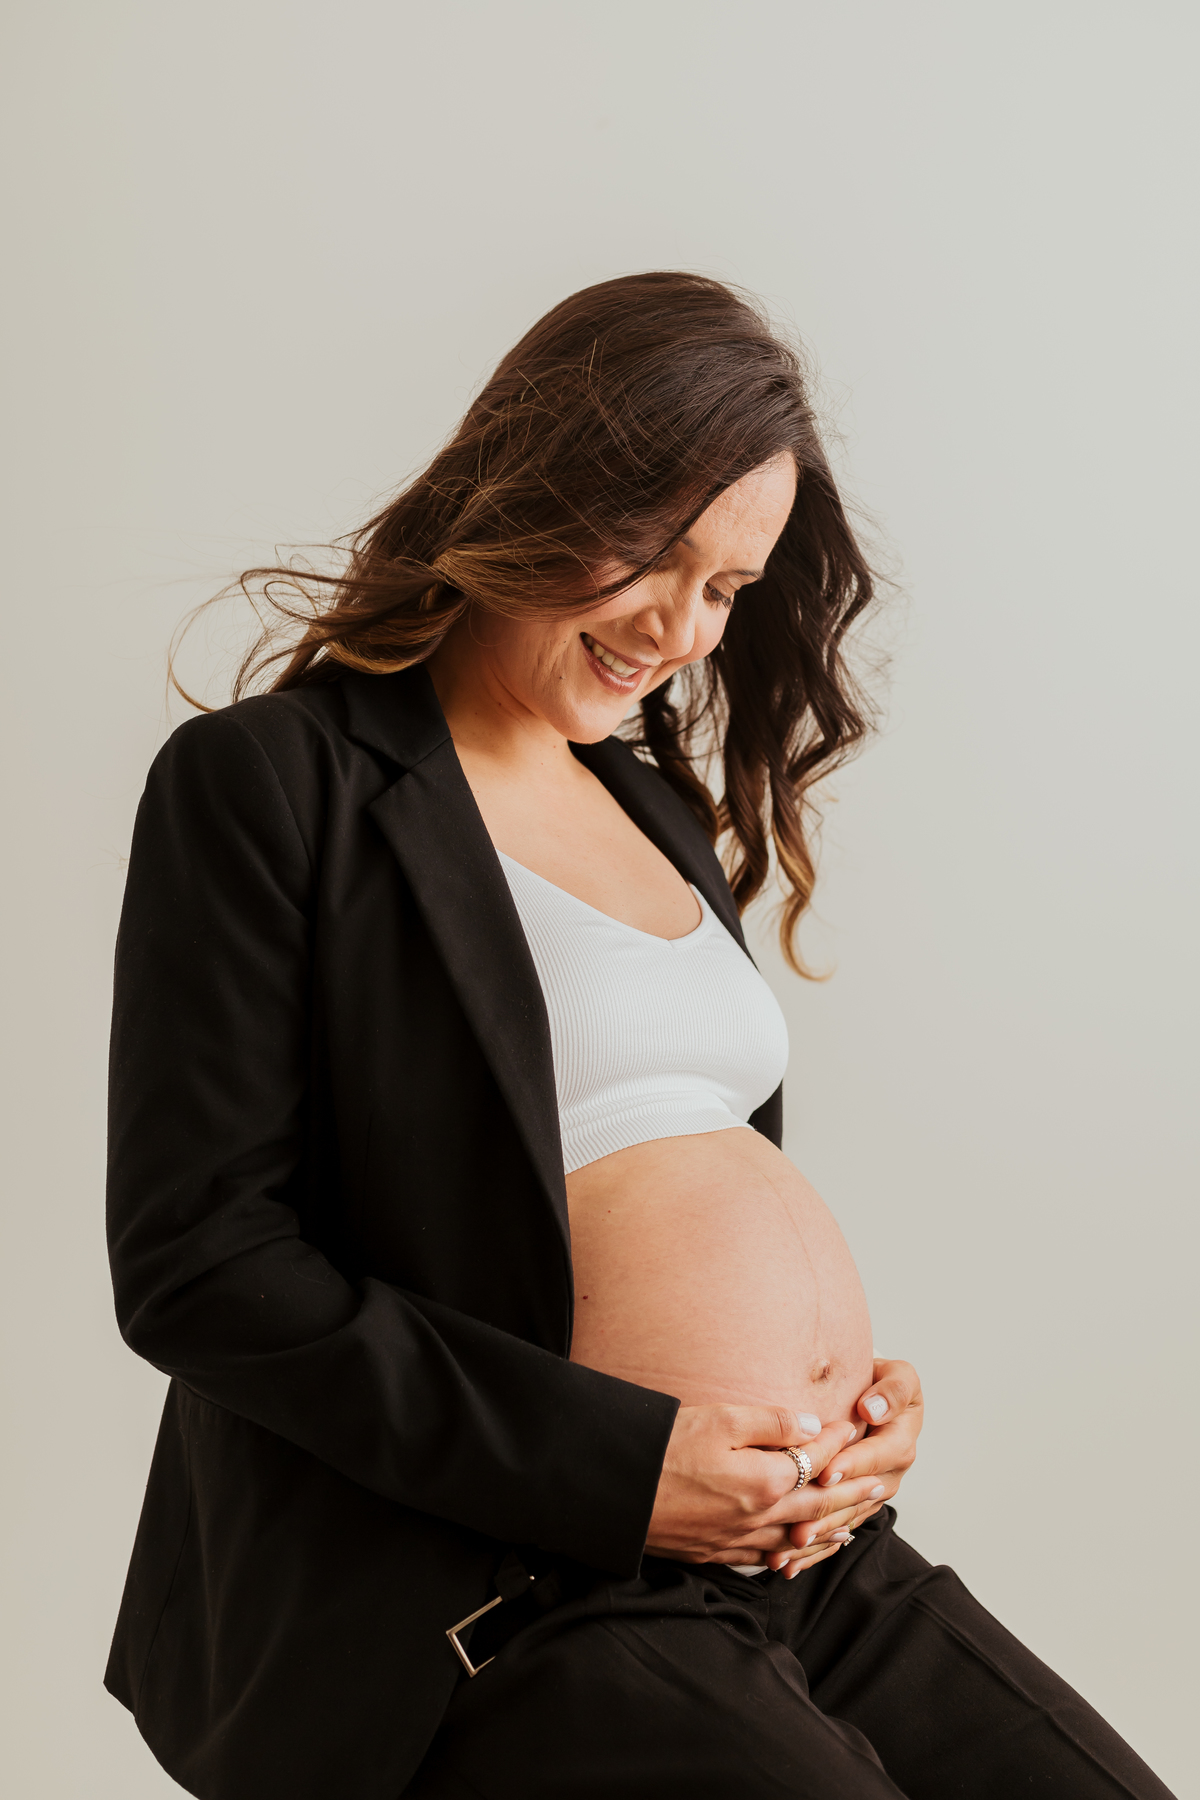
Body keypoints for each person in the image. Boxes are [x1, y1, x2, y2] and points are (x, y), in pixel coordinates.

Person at [104, 272, 1174, 1800]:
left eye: (729, 589)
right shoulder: (274, 782)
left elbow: (679, 1166)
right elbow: (201, 1268)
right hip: (513, 1586)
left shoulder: (648, 805)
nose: (682, 630)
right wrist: (623, 1468)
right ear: (535, 486)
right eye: (654, 559)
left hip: (800, 1555)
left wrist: (841, 1413)